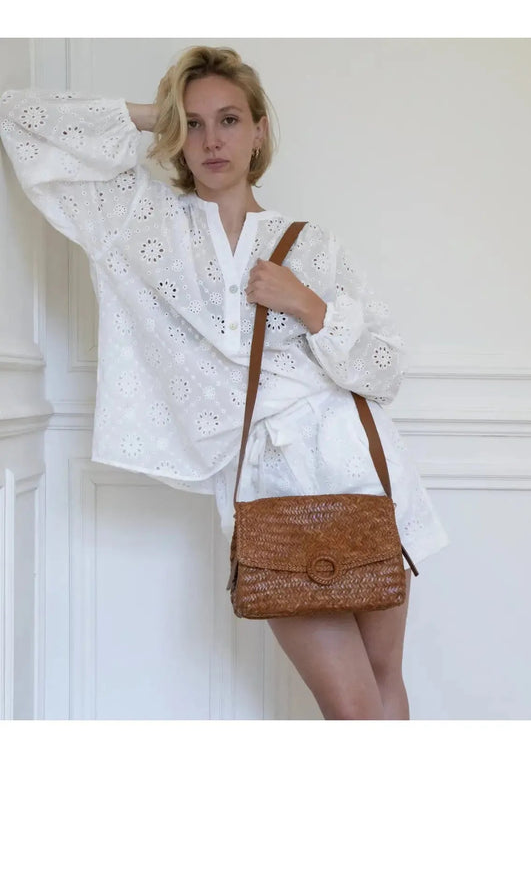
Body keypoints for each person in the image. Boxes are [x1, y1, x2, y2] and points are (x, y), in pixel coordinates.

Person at [0, 44, 450, 720]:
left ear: (259, 130)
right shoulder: (139, 220)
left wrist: (308, 305)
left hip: (360, 469)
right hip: (269, 486)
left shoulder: (312, 245)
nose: (212, 140)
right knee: (353, 709)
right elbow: (18, 116)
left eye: (230, 120)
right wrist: (154, 115)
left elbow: (384, 372)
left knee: (385, 686)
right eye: (193, 124)